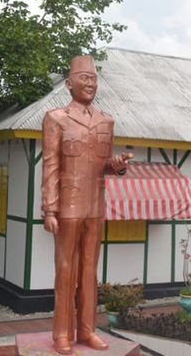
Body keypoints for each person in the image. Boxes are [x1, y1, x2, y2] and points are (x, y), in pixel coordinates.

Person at [41, 55, 132, 354]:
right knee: (66, 270)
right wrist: (49, 209)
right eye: (84, 79)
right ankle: (61, 335)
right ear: (69, 84)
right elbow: (51, 166)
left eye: (93, 79)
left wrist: (116, 165)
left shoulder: (106, 120)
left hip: (96, 205)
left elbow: (103, 165)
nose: (90, 84)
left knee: (90, 271)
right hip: (67, 206)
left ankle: (87, 330)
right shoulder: (56, 118)